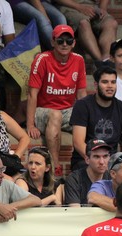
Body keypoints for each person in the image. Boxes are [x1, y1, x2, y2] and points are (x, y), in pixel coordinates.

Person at [70, 67, 122, 185]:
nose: (110, 86)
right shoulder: (83, 105)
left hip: (112, 161)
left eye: (113, 82)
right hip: (86, 160)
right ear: (96, 85)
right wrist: (100, 162)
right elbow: (78, 142)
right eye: (105, 82)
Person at [27, 24, 87, 176]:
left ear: (74, 43)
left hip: (67, 111)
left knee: (92, 120)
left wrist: (88, 117)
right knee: (56, 115)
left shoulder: (79, 60)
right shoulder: (42, 59)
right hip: (43, 111)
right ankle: (56, 167)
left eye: (68, 40)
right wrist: (30, 124)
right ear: (53, 42)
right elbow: (32, 94)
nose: (65, 44)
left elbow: (82, 94)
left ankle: (88, 165)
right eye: (60, 41)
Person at [53, 0, 118, 67]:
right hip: (69, 7)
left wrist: (102, 8)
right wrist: (80, 7)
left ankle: (107, 60)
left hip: (92, 6)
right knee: (83, 23)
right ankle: (100, 62)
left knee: (111, 23)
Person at [63, 138, 110, 206]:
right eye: (96, 157)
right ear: (87, 160)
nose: (102, 162)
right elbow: (75, 211)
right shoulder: (75, 179)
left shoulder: (113, 177)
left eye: (105, 156)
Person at [0, 154, 41, 223]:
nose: (2, 175)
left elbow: (36, 200)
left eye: (2, 169)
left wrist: (8, 208)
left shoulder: (5, 184)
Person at [0, 91, 30, 179]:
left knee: (27, 179)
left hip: (7, 165)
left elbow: (24, 137)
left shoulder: (1, 116)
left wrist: (16, 157)